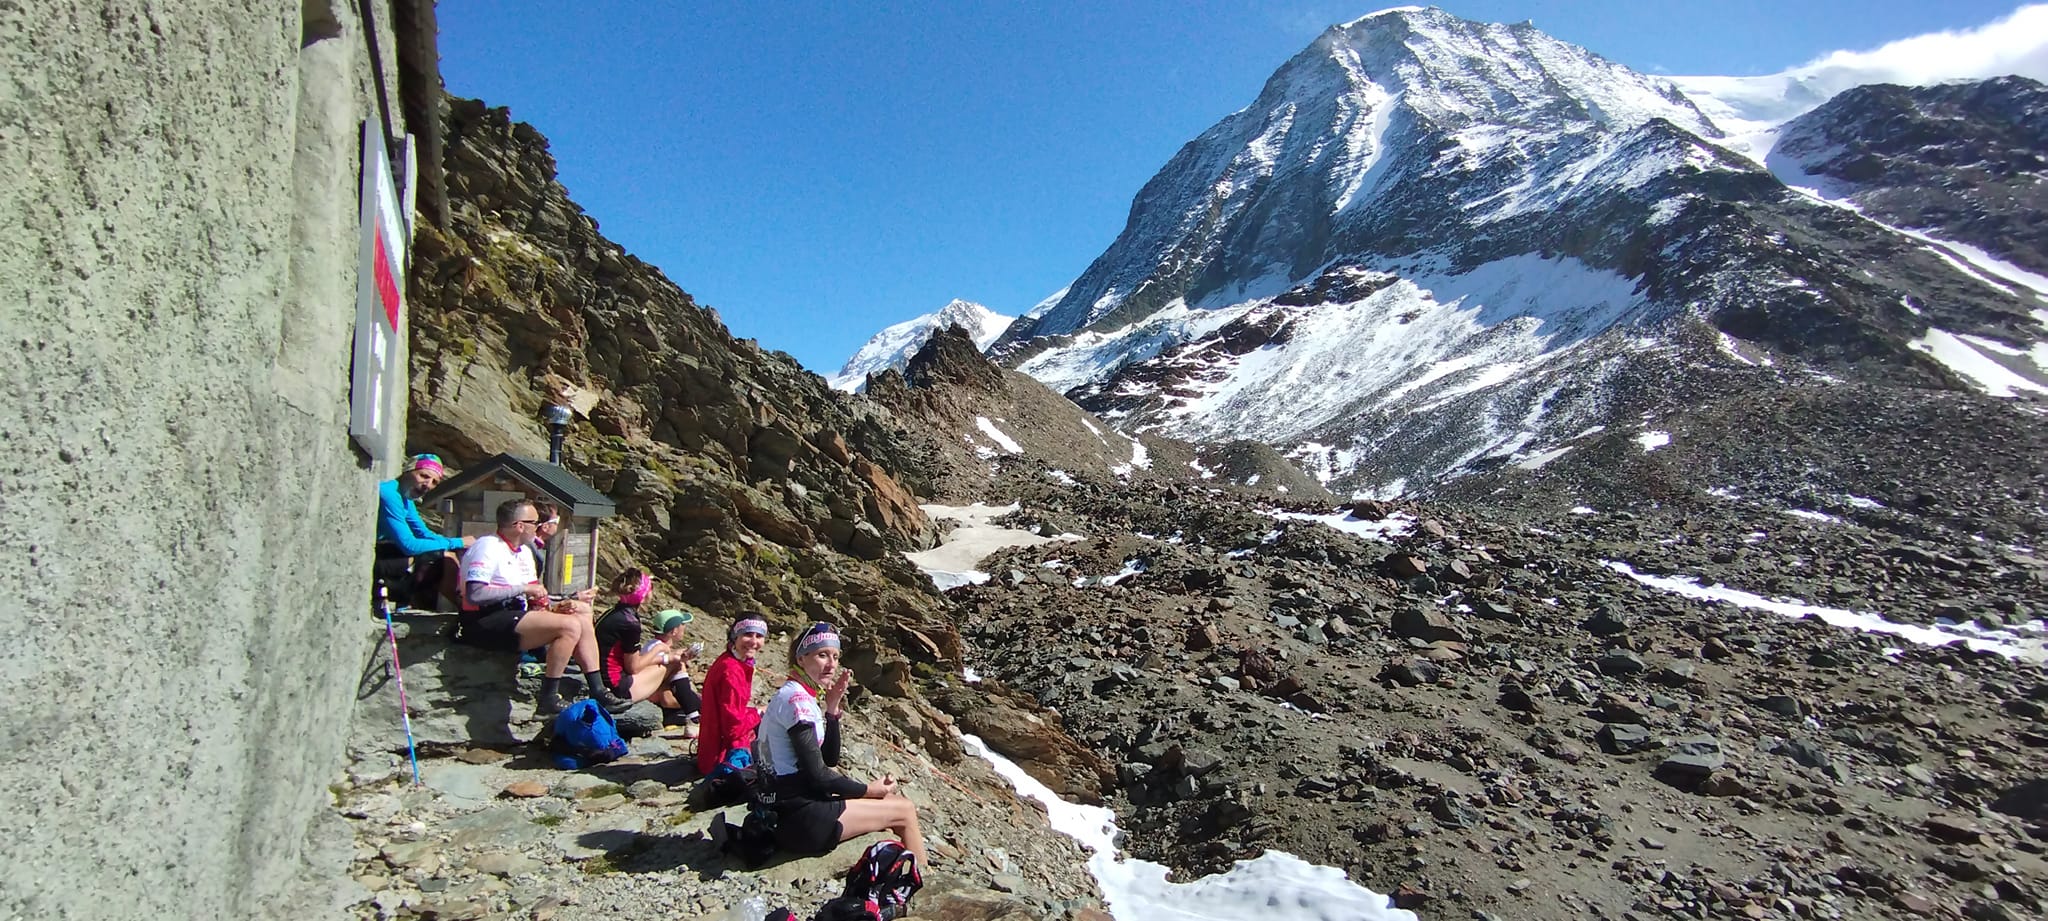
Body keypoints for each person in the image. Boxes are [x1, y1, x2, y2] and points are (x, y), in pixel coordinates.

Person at [759, 622, 924, 867]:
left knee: (895, 804)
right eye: (822, 655)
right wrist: (869, 790)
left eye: (835, 656)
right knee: (905, 810)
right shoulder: (797, 702)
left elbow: (829, 759)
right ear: (801, 659)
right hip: (799, 817)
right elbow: (820, 776)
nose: (831, 664)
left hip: (784, 807)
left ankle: (910, 876)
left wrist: (832, 711)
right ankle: (920, 884)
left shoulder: (797, 694)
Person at [456, 498, 627, 715]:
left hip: (516, 614)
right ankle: (549, 696)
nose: (538, 527)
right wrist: (523, 589)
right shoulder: (488, 547)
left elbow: (536, 595)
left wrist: (561, 602)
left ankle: (598, 689)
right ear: (519, 525)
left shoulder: (524, 551)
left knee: (581, 612)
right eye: (534, 522)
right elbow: (475, 595)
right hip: (484, 620)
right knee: (569, 626)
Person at [592, 570, 703, 721]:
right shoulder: (629, 623)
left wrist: (665, 656)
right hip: (618, 688)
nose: (652, 592)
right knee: (676, 663)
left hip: (604, 680)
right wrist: (661, 653)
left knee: (673, 661)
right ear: (643, 595)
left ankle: (693, 712)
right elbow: (634, 667)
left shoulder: (614, 613)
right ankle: (696, 715)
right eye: (650, 588)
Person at [374, 453, 472, 607]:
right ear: (408, 470)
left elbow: (424, 533)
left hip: (382, 552)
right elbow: (409, 545)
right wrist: (457, 542)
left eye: (434, 482)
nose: (428, 484)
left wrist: (456, 545)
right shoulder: (390, 495)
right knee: (435, 558)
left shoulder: (406, 499)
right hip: (371, 555)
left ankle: (465, 607)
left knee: (443, 555)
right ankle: (464, 609)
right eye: (423, 476)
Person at [696, 616, 768, 777]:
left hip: (712, 747)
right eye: (747, 634)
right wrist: (758, 713)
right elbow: (733, 729)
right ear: (735, 637)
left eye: (759, 636)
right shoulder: (731, 671)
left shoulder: (729, 660)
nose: (753, 641)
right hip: (720, 756)